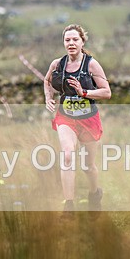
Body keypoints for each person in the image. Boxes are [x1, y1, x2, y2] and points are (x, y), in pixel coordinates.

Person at [44, 24, 111, 211]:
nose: (71, 43)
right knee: (67, 155)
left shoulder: (91, 64)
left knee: (88, 166)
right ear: (64, 42)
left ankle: (94, 192)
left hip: (88, 118)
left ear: (82, 42)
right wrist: (48, 97)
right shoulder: (57, 64)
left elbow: (106, 92)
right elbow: (47, 80)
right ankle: (69, 205)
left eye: (75, 39)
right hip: (66, 117)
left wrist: (84, 92)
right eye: (67, 40)